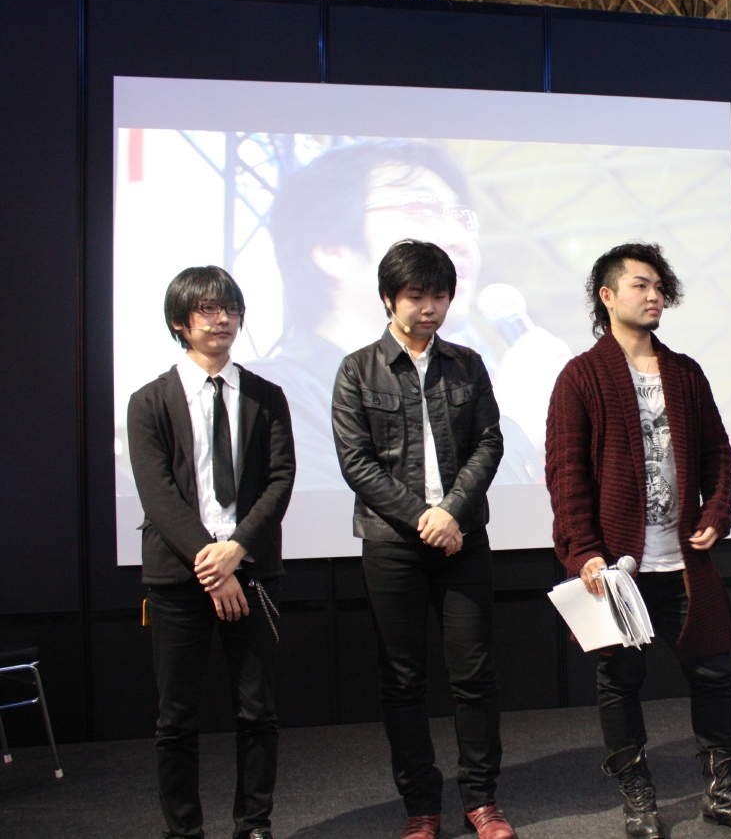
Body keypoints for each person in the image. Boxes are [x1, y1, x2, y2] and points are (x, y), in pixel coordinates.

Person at [545, 243, 731, 839]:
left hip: (683, 562)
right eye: (641, 286)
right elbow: (566, 476)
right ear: (607, 296)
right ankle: (638, 797)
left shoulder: (685, 372)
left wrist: (718, 510)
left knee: (712, 671)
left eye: (659, 287)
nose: (654, 297)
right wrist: (583, 552)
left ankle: (722, 793)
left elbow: (718, 455)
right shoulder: (580, 376)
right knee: (619, 681)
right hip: (617, 570)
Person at [330, 239, 513, 839]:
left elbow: (490, 442)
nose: (429, 308)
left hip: (463, 539)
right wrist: (422, 518)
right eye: (416, 296)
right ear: (388, 298)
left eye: (439, 295)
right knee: (403, 680)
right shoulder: (358, 369)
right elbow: (357, 462)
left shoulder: (468, 364)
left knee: (475, 676)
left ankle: (481, 800)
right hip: (392, 545)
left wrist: (452, 512)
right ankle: (421, 806)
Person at [259, 139, 554, 492]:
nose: (460, 238)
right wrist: (512, 431)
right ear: (333, 248)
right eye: (422, 209)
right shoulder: (267, 400)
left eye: (463, 219)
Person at [127, 266, 296, 839]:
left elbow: (280, 480)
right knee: (176, 717)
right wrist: (212, 562)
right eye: (207, 308)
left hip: (253, 571)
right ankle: (184, 831)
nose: (221, 319)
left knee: (258, 711)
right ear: (180, 321)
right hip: (180, 577)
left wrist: (237, 551)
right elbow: (158, 494)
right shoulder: (149, 401)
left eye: (230, 309)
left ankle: (255, 825)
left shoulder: (266, 396)